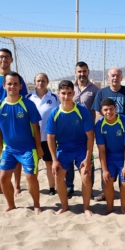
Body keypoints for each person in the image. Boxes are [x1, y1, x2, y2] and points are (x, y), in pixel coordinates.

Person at [46, 80, 94, 216]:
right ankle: (64, 206)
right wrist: (54, 159)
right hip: (63, 149)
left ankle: (86, 207)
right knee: (59, 176)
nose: (66, 97)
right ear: (58, 94)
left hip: (81, 148)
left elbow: (90, 136)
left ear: (73, 93)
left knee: (86, 176)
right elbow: (50, 137)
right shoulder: (54, 113)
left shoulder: (82, 111)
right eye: (63, 93)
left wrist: (88, 157)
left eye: (69, 93)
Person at [92, 67, 125, 202]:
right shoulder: (101, 92)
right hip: (107, 133)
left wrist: (122, 125)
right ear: (108, 77)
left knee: (124, 165)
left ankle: (124, 194)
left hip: (123, 133)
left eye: (117, 75)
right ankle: (105, 192)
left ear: (121, 77)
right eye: (112, 75)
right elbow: (97, 113)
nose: (115, 77)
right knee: (105, 160)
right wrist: (109, 125)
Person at [0, 71, 42, 214]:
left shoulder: (28, 104)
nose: (12, 86)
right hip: (9, 148)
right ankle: (11, 204)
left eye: (15, 84)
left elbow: (36, 128)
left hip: (27, 149)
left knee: (30, 177)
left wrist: (38, 147)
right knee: (3, 178)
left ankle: (37, 205)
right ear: (4, 85)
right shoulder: (1, 105)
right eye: (9, 84)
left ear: (20, 86)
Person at [66, 61, 100, 199]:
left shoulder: (95, 90)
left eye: (84, 71)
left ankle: (88, 189)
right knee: (68, 162)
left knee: (87, 161)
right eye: (79, 71)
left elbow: (98, 112)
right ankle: (69, 187)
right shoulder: (69, 88)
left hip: (87, 133)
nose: (82, 74)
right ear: (75, 72)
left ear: (88, 72)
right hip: (69, 132)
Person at [95, 98, 125, 215]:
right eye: (105, 110)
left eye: (111, 109)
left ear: (115, 109)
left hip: (124, 156)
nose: (109, 112)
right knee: (107, 181)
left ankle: (123, 208)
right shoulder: (100, 125)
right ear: (102, 112)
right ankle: (110, 207)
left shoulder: (124, 121)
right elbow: (101, 150)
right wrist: (105, 170)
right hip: (109, 157)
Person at [0, 48, 28, 196]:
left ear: (11, 60)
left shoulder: (17, 78)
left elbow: (23, 99)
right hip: (1, 119)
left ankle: (17, 185)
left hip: (13, 121)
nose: (3, 59)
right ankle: (2, 184)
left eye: (6, 57)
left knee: (15, 151)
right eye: (1, 57)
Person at [26, 73, 60, 196]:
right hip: (32, 138)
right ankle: (34, 188)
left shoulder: (55, 98)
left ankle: (52, 188)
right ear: (35, 82)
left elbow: (59, 116)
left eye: (43, 80)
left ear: (47, 82)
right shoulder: (28, 97)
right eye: (38, 80)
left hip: (48, 137)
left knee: (49, 163)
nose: (40, 83)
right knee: (33, 164)